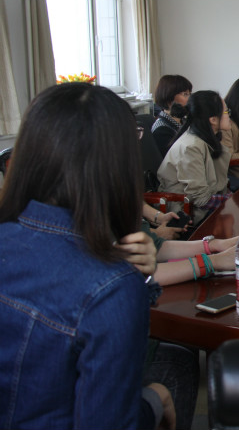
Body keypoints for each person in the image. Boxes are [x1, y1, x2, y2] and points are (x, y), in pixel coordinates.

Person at [0, 83, 175, 429]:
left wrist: (138, 276)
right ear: (115, 163)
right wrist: (157, 399)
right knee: (174, 370)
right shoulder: (109, 287)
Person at [158, 91, 232, 224]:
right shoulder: (191, 147)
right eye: (227, 112)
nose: (229, 116)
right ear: (213, 120)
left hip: (202, 207)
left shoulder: (206, 138)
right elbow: (201, 200)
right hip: (186, 213)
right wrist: (235, 200)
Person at [152, 74, 193, 157]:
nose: (190, 99)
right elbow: (177, 158)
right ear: (169, 98)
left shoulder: (182, 121)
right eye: (185, 94)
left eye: (190, 94)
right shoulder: (162, 130)